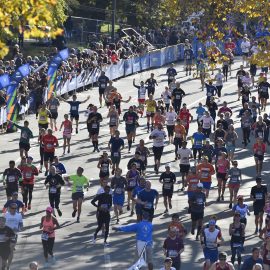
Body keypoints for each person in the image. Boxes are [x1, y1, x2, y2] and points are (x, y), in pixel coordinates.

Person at [5, 202, 23, 269]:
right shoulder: (6, 215)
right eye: (13, 208)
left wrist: (19, 228)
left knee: (11, 250)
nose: (14, 209)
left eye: (16, 208)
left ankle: (8, 266)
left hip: (14, 235)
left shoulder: (19, 215)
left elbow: (21, 225)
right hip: (5, 235)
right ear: (9, 208)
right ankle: (4, 262)